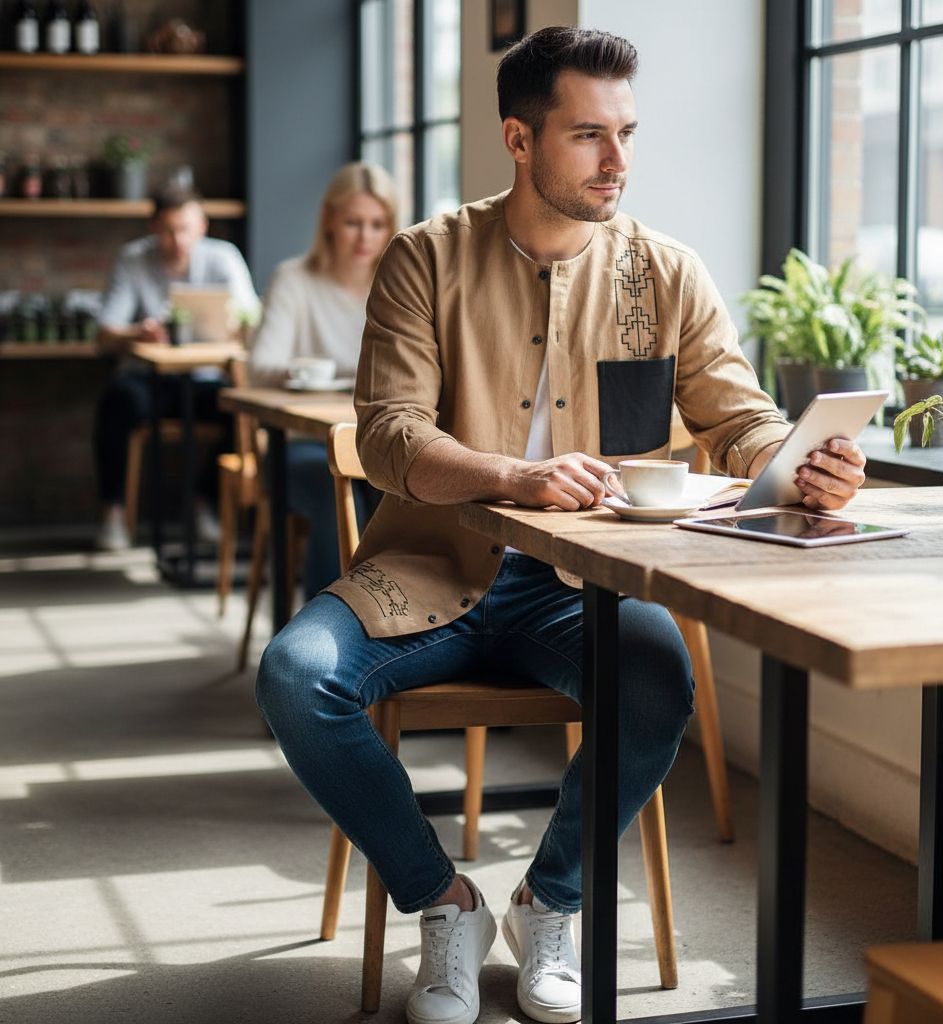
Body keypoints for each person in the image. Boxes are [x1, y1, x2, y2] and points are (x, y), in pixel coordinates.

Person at [256, 26, 867, 1024]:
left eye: (626, 133)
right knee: (294, 675)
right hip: (426, 569)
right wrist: (516, 476)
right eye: (589, 135)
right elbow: (392, 434)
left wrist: (801, 463)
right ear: (519, 138)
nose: (617, 159)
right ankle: (443, 901)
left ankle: (550, 902)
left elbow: (739, 417)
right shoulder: (424, 259)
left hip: (584, 587)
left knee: (658, 682)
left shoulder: (666, 272)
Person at [248, 162, 397, 600]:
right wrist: (340, 374)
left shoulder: (397, 284)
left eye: (377, 224)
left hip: (379, 442)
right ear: (329, 219)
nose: (364, 237)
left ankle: (397, 621)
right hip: (300, 444)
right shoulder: (294, 280)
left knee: (415, 491)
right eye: (353, 222)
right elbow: (261, 365)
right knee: (339, 490)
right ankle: (329, 623)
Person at [93, 184, 260, 552]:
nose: (178, 240)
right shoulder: (133, 258)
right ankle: (114, 512)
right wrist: (138, 332)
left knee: (244, 410)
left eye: (185, 229)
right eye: (168, 230)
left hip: (206, 379)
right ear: (153, 227)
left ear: (202, 226)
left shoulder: (223, 258)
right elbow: (105, 334)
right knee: (117, 401)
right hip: (148, 380)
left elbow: (252, 318)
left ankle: (204, 503)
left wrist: (234, 328)